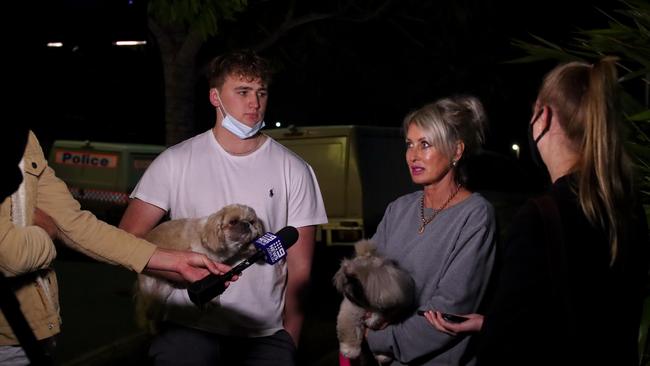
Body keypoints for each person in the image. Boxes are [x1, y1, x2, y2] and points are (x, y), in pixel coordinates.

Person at [424, 58, 649, 365]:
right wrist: (491, 321)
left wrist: (497, 328)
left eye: (533, 112)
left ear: (544, 116)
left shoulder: (541, 217)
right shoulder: (627, 207)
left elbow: (508, 347)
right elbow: (586, 316)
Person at [119, 49, 327, 365]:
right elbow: (126, 241)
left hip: (264, 336)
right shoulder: (175, 162)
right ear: (215, 97)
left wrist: (289, 341)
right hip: (187, 330)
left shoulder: (294, 169)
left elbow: (300, 269)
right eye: (242, 92)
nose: (254, 103)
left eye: (261, 93)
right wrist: (173, 270)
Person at [0, 129, 235, 365]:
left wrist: (174, 261)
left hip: (33, 335)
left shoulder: (27, 139)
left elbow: (76, 225)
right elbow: (12, 255)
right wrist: (48, 231)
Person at [363, 95, 497, 365]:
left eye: (425, 144)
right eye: (409, 144)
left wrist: (373, 337)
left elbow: (448, 313)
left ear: (456, 151)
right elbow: (364, 280)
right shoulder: (398, 209)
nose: (413, 155)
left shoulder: (475, 216)